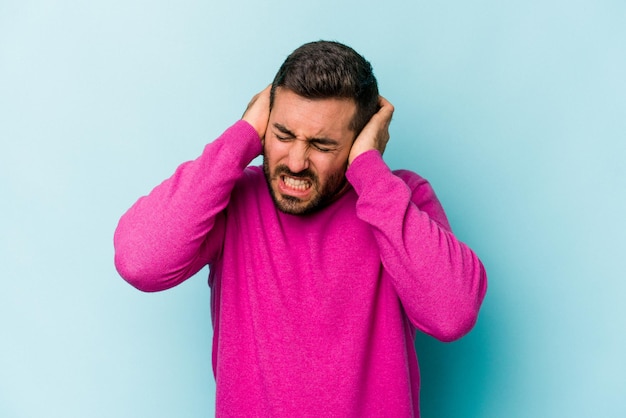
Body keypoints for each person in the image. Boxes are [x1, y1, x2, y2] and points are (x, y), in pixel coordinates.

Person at [114, 40, 487, 417]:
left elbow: (451, 315)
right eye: (283, 135)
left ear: (359, 142)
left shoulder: (400, 202)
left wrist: (371, 172)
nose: (294, 161)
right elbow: (140, 262)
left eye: (321, 145)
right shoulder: (233, 199)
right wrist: (240, 138)